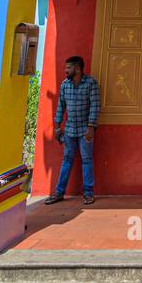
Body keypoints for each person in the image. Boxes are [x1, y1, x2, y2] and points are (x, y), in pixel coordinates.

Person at [45, 55, 100, 206]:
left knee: (87, 160)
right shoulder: (64, 85)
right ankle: (59, 192)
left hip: (85, 130)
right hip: (69, 129)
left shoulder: (91, 84)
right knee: (67, 160)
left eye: (68, 68)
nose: (65, 70)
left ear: (77, 68)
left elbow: (95, 106)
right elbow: (61, 106)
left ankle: (88, 194)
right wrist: (57, 127)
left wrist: (91, 127)